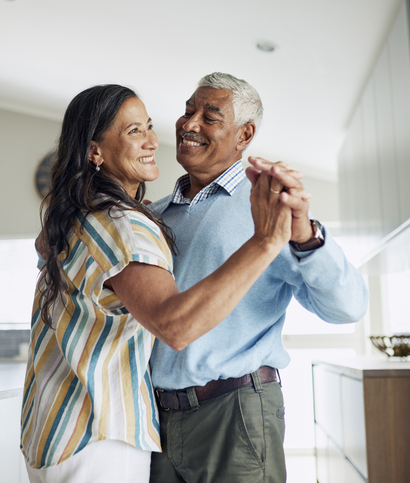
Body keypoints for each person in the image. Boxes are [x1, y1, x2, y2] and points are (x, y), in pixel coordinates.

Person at [20, 84, 303, 483]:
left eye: (149, 126)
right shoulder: (123, 224)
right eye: (133, 131)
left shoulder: (79, 217)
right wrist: (265, 241)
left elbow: (44, 249)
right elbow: (176, 326)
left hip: (57, 428)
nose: (153, 139)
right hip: (98, 433)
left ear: (246, 135)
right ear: (95, 151)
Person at [148, 72, 370, 483]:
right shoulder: (154, 214)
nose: (189, 123)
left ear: (244, 134)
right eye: (187, 110)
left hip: (234, 411)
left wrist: (305, 235)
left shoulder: (267, 209)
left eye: (209, 116)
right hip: (155, 419)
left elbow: (349, 308)